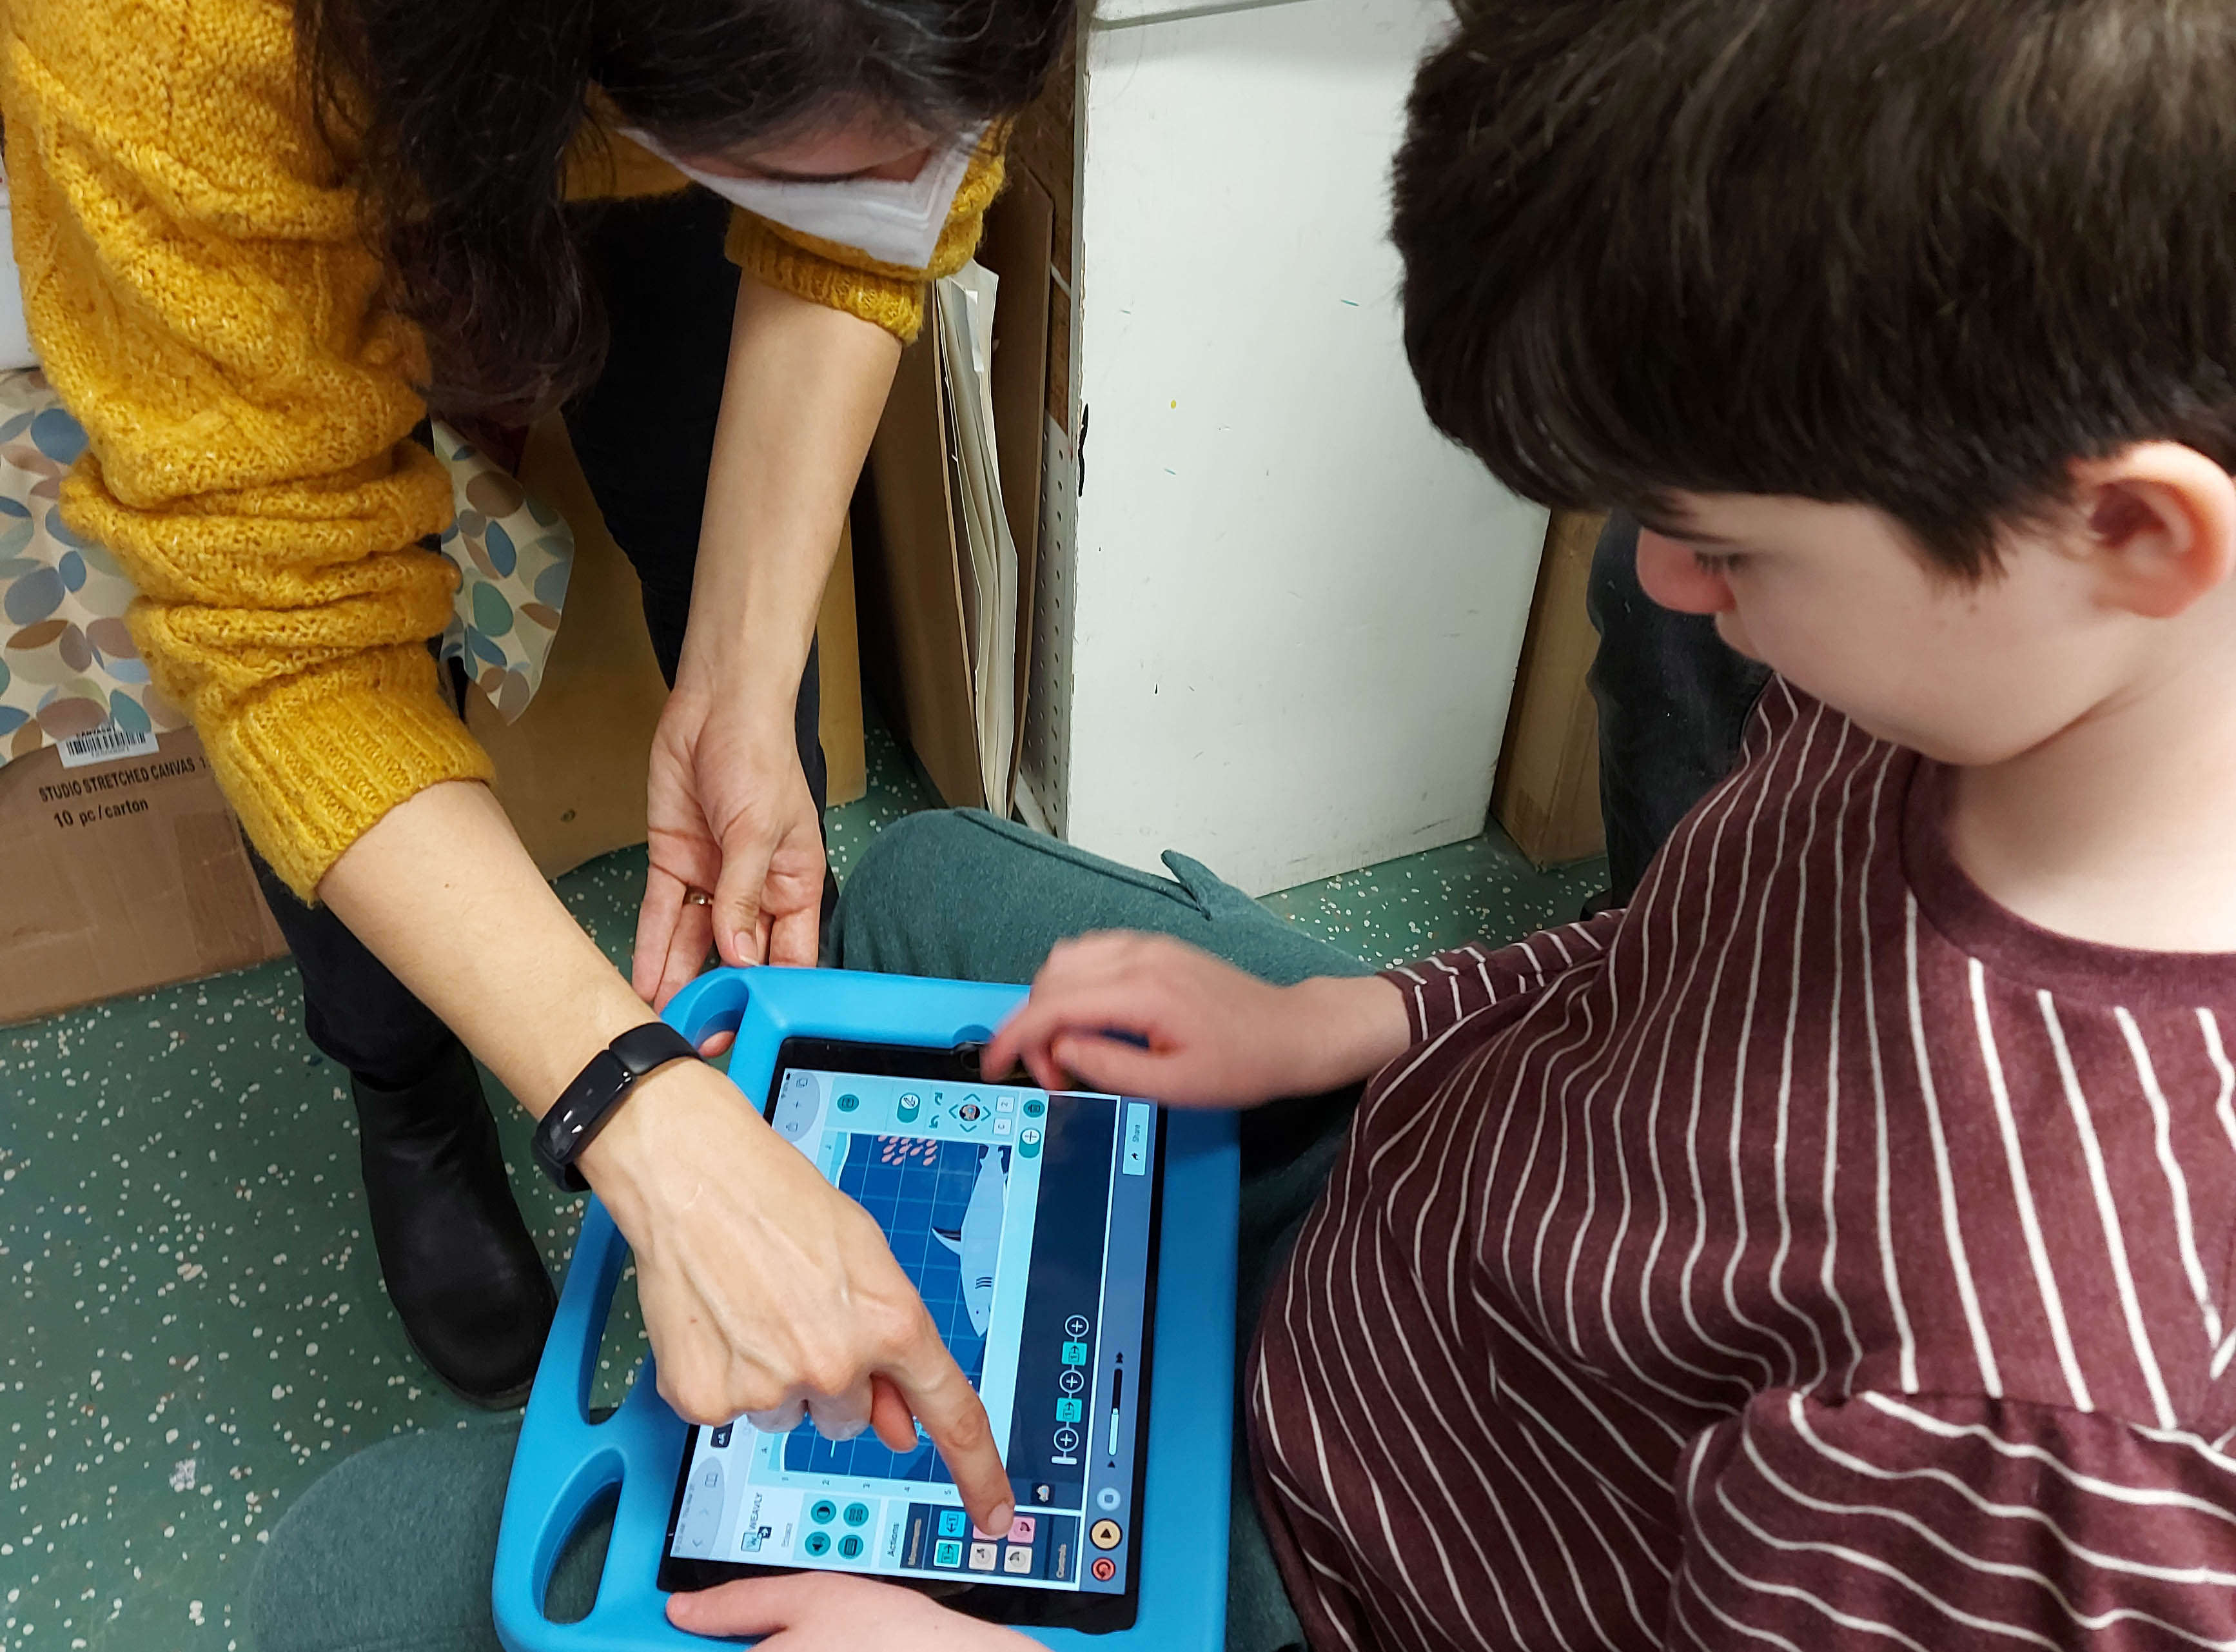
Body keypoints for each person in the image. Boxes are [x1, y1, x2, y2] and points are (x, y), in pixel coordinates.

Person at [251, 0, 2236, 1646]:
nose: (1662, 593)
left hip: (1378, 1577)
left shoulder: (2020, 1421)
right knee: (928, 876)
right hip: (1424, 1234)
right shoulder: (1980, 686)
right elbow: (1673, 961)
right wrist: (1356, 1026)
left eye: (1719, 543)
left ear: (2131, 530)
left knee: (349, 1579)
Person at [0, 0, 1063, 1518]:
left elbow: (881, 208)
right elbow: (282, 622)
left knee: (701, 479)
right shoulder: (162, 32)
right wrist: (615, 1089)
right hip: (351, 86)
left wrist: (742, 679)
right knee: (326, 668)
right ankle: (404, 1084)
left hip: (683, 99)